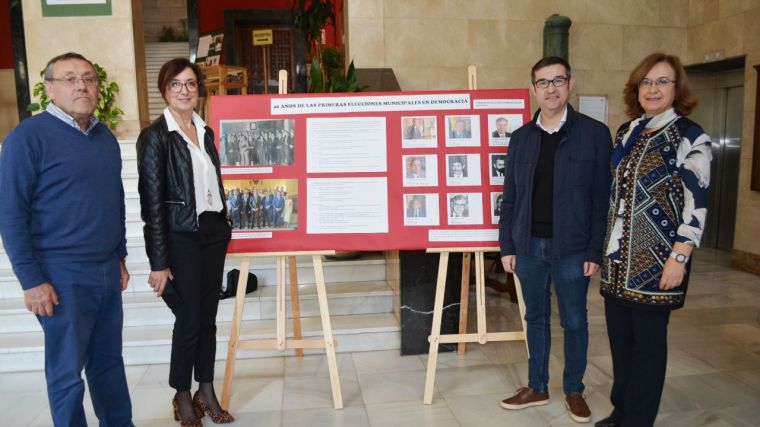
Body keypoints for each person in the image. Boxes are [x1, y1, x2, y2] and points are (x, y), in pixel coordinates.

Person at [0, 52, 134, 426]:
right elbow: (10, 214)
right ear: (49, 88)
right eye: (70, 78)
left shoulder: (104, 136)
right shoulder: (27, 138)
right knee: (66, 373)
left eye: (89, 78)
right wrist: (32, 281)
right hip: (60, 275)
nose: (82, 85)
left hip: (106, 270)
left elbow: (114, 200)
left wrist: (120, 257)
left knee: (109, 363)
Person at [596, 53, 711, 427]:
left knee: (648, 348)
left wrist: (680, 257)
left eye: (662, 81)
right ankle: (620, 413)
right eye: (646, 82)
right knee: (621, 346)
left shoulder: (691, 136)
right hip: (617, 263)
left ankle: (637, 420)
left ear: (677, 88)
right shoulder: (627, 131)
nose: (653, 89)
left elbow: (698, 203)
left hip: (657, 263)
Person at [498, 56, 612, 423]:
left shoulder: (594, 134)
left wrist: (595, 249)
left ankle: (574, 389)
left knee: (575, 320)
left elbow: (601, 199)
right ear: (533, 88)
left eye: (557, 80)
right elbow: (510, 198)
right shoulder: (520, 138)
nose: (551, 88)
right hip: (528, 245)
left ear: (570, 83)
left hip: (573, 249)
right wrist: (507, 246)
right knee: (536, 318)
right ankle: (537, 385)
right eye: (543, 82)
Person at [136, 57, 234, 426]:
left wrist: (225, 220)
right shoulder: (155, 137)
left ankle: (205, 389)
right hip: (180, 236)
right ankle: (181, 394)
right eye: (176, 84)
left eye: (191, 83)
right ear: (164, 90)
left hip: (212, 232)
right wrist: (159, 261)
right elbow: (152, 206)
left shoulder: (204, 132)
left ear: (199, 91)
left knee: (208, 317)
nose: (184, 90)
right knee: (189, 318)